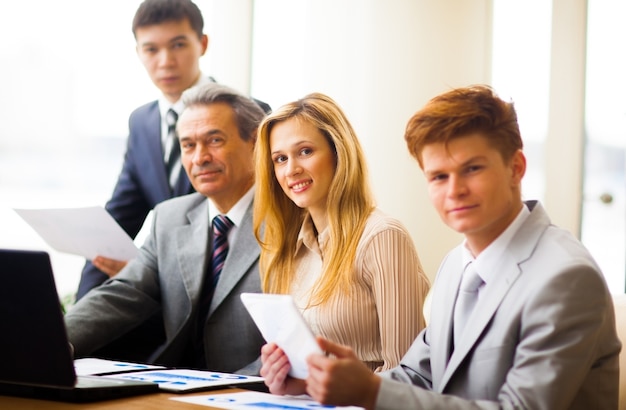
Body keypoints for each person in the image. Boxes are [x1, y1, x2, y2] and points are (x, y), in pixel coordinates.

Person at [270, 85, 621, 409]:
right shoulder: (458, 263)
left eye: (471, 169)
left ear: (516, 168)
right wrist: (314, 383)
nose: (454, 191)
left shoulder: (566, 277)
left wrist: (371, 392)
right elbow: (417, 375)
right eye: (438, 176)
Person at [64, 82, 267, 374]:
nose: (200, 158)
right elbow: (122, 294)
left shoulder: (290, 222)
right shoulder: (170, 217)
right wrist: (56, 341)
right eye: (188, 145)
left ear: (255, 142)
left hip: (254, 392)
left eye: (215, 141)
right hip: (171, 384)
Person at [76, 0, 270, 300]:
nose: (165, 61)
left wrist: (151, 273)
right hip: (167, 303)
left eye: (178, 45)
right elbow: (119, 219)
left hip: (233, 294)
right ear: (138, 52)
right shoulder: (142, 122)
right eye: (151, 49)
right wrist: (68, 329)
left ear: (202, 44)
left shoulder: (253, 115)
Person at [253, 93, 431, 395]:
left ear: (339, 153)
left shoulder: (382, 237)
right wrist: (288, 379)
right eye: (280, 159)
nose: (291, 169)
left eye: (305, 151)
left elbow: (408, 376)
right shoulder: (284, 249)